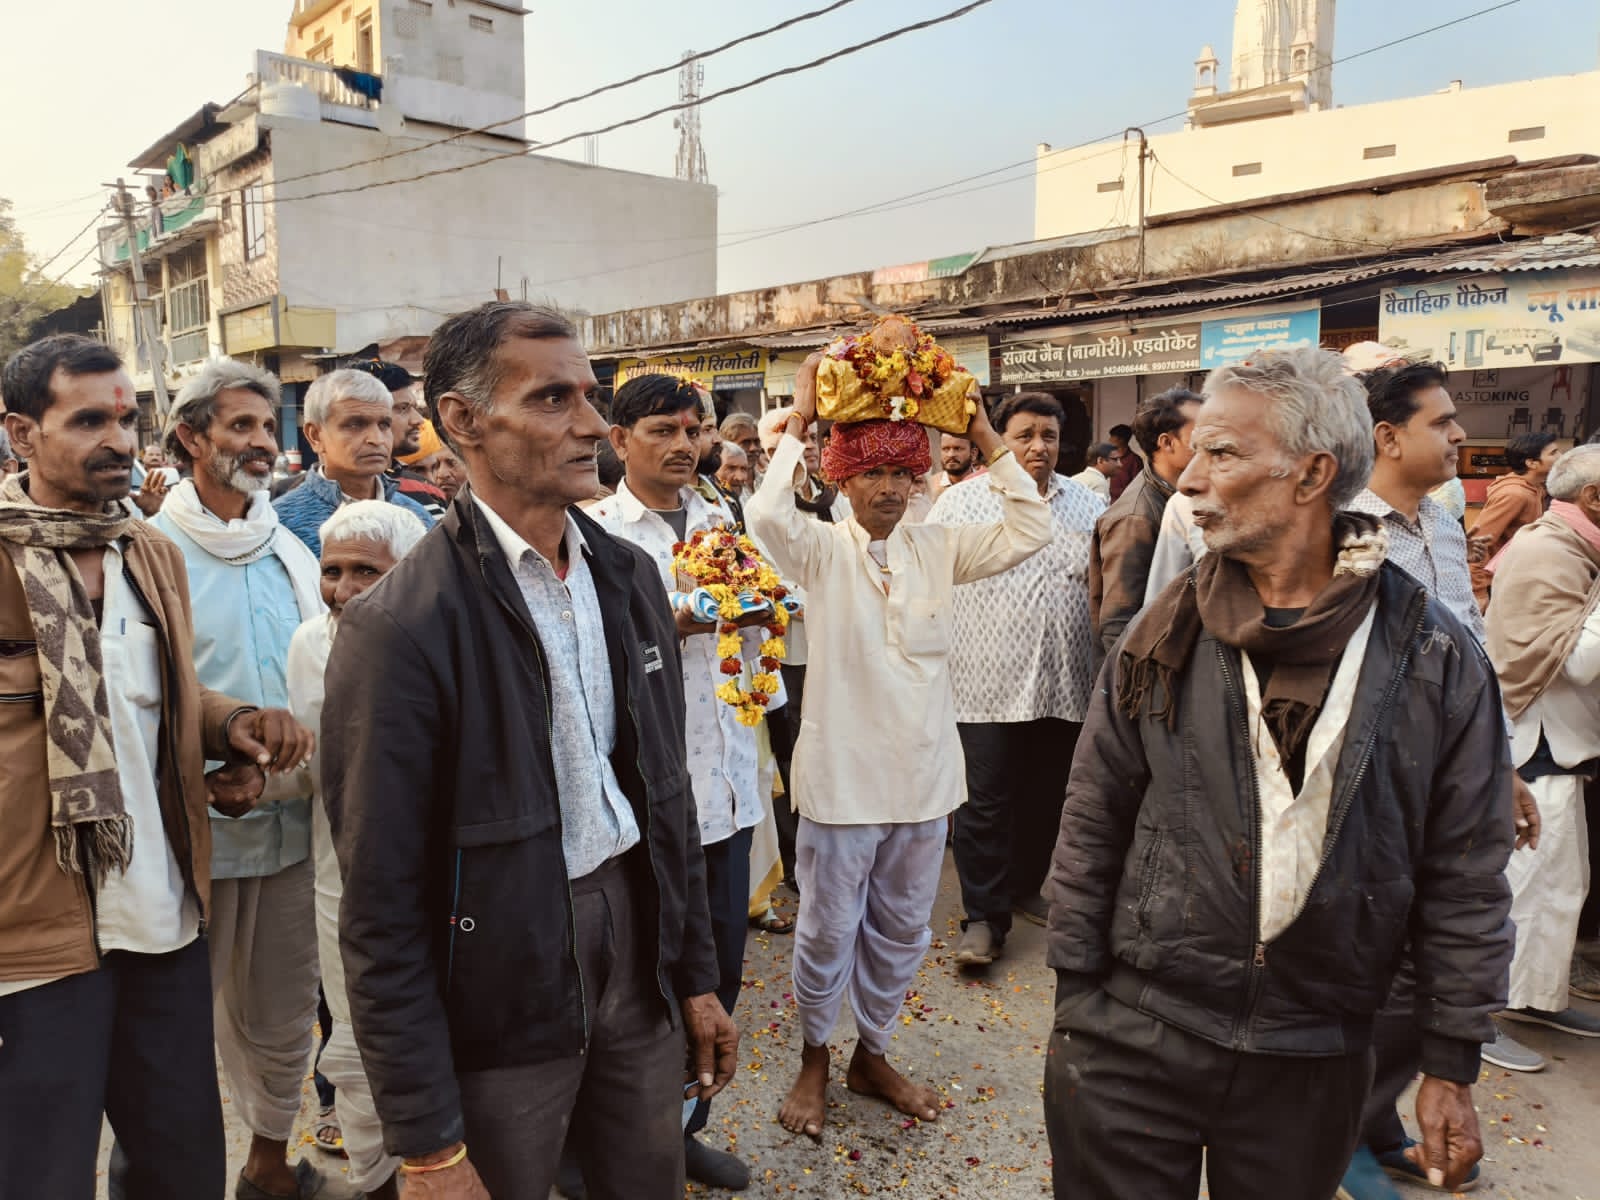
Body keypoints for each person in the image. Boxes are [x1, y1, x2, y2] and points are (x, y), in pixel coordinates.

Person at [1043, 345, 1514, 1200]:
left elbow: (1466, 870)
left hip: (1315, 1050)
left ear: (1312, 475)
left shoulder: (1431, 653)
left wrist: (1451, 1059)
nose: (1191, 480)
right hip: (1135, 1031)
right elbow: (1095, 808)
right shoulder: (1163, 632)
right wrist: (1078, 1000)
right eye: (1195, 453)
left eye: (1223, 454)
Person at [321, 301, 736, 1200]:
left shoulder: (628, 577)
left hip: (636, 938)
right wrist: (428, 1146)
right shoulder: (401, 627)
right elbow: (381, 908)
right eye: (552, 399)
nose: (590, 424)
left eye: (589, 396)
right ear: (463, 421)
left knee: (646, 1179)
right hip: (500, 976)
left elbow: (666, 796)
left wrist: (694, 978)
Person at [0, 334, 313, 1200]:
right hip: (32, 937)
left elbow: (161, 692)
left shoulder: (148, 554)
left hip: (162, 915)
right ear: (21, 433)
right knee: (40, 1173)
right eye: (87, 421)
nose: (117, 440)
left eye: (126, 420)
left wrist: (234, 724)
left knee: (179, 1167)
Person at [747, 356, 1050, 1141]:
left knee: (904, 930)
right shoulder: (819, 550)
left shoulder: (938, 548)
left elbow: (1032, 527)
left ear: (919, 480)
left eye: (901, 474)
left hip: (924, 784)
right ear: (842, 481)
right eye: (872, 474)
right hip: (841, 786)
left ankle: (872, 1055)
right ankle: (815, 1055)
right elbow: (767, 516)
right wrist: (802, 420)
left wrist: (984, 433)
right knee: (826, 930)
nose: (888, 489)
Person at [1335, 360, 1541, 1198]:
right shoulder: (1352, 531)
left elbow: (1473, 654)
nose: (1459, 434)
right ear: (1387, 437)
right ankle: (1344, 1131)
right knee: (1381, 965)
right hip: (1382, 784)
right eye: (1442, 421)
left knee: (1432, 958)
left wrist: (1502, 765)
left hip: (1453, 772)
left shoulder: (1446, 525)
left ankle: (1375, 1117)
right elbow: (1348, 673)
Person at [149, 358, 336, 1200]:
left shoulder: (289, 550)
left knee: (286, 1012)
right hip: (187, 837)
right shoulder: (150, 553)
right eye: (240, 426)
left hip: (290, 824)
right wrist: (211, 764)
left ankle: (266, 1166)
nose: (262, 442)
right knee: (177, 1025)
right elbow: (143, 693)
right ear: (191, 438)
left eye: (267, 426)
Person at [589, 374, 777, 1191]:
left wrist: (761, 607)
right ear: (619, 439)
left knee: (718, 973)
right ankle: (606, 1147)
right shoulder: (595, 534)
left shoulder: (720, 520)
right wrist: (676, 617)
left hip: (725, 790)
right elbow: (599, 647)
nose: (683, 445)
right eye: (662, 430)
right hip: (643, 804)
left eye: (693, 430)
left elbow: (753, 623)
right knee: (637, 986)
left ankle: (682, 1131)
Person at [926, 392, 1104, 967]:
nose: (1038, 446)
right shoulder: (959, 504)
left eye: (1048, 435)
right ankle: (983, 918)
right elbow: (926, 586)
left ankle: (1026, 886)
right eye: (1024, 435)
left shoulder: (1088, 504)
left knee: (1047, 798)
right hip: (984, 683)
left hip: (1064, 682)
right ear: (997, 440)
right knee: (985, 804)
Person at [289, 501, 429, 1200]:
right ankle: (378, 1186)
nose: (342, 589)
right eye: (331, 571)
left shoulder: (446, 637)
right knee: (360, 1043)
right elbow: (311, 767)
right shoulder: (310, 643)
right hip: (341, 878)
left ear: (412, 572)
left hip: (440, 881)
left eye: (365, 572)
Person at [1486, 445, 1600, 1044]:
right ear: (1593, 498)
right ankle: (1483, 1018)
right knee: (1527, 886)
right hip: (1532, 746)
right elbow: (1573, 662)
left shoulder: (1574, 545)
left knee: (1560, 885)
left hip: (1560, 745)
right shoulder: (1547, 550)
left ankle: (1534, 999)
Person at [754, 404, 850, 894]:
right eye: (784, 447)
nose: (802, 451)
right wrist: (813, 602)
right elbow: (766, 574)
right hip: (790, 648)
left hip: (838, 643)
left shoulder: (837, 498)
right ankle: (799, 855)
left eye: (809, 441)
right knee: (795, 750)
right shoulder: (763, 507)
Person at [1088, 387, 1202, 661]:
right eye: (1200, 437)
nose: (1211, 443)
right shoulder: (1135, 517)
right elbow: (1119, 622)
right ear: (1167, 443)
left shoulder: (1185, 496)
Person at [272, 368, 434, 556]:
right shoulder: (279, 525)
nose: (377, 439)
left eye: (384, 425)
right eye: (355, 425)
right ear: (315, 435)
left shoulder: (417, 517)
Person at [1472, 430, 1560, 610]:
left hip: (1517, 576)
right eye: (1553, 453)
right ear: (1531, 463)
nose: (1561, 456)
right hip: (1498, 582)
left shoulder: (1537, 489)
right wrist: (1478, 591)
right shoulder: (1515, 495)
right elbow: (1479, 541)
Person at [929, 430, 984, 499]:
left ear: (973, 454)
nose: (951, 454)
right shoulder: (929, 487)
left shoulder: (986, 484)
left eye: (958, 449)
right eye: (945, 449)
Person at [1106, 422, 1140, 500]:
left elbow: (1137, 488)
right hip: (1111, 503)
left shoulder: (1135, 460)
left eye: (1112, 437)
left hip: (1126, 503)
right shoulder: (1109, 458)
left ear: (1122, 440)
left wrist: (1112, 491)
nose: (1109, 440)